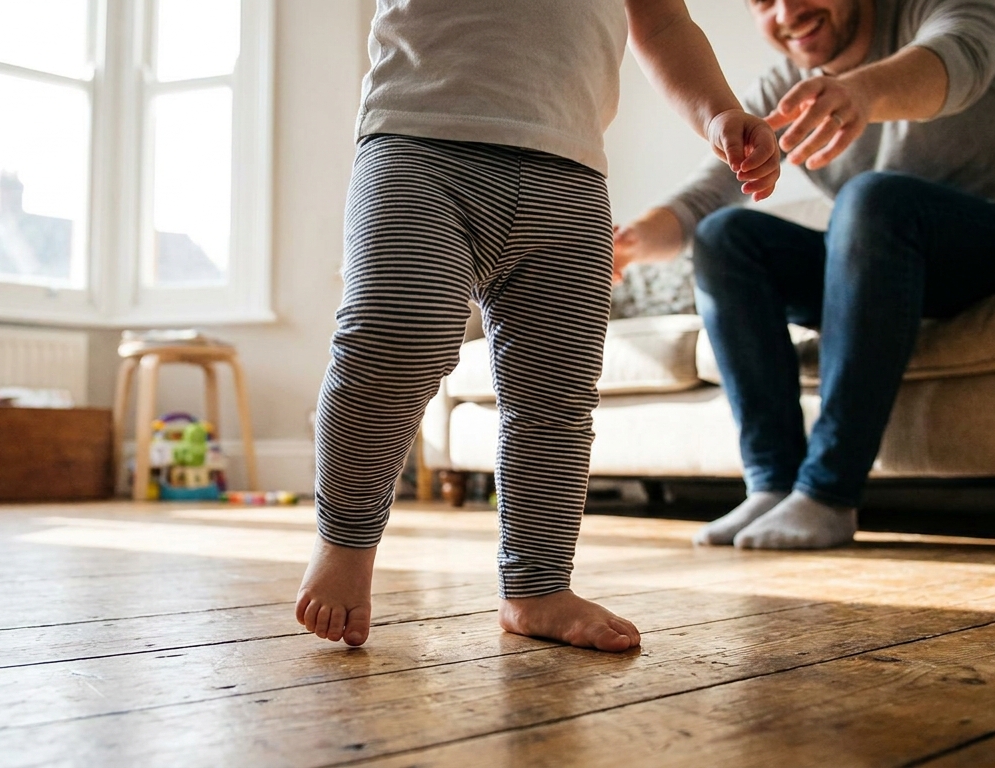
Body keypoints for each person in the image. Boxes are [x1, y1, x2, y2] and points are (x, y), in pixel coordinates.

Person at [296, 0, 782, 652]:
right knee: (394, 341)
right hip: (421, 140)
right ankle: (346, 540)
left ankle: (537, 583)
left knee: (556, 393)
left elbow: (664, 24)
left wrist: (718, 110)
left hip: (572, 173)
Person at [614, 0, 995, 551]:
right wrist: (628, 242)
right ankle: (773, 484)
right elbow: (707, 195)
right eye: (764, 1)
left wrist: (862, 92)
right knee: (726, 237)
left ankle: (828, 492)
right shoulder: (784, 86)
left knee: (871, 198)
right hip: (892, 273)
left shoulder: (935, 9)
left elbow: (958, 61)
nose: (788, 11)